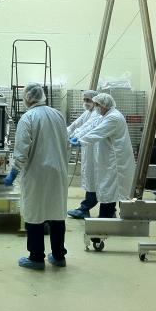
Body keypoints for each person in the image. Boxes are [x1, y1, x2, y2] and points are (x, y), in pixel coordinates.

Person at [5, 83, 69, 270]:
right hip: (58, 171)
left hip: (37, 173)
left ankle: (36, 258)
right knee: (57, 213)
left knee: (34, 214)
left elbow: (21, 150)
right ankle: (58, 256)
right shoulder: (58, 115)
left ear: (27, 98)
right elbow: (66, 143)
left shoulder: (28, 117)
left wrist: (13, 173)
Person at [71, 93, 135, 218]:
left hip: (116, 161)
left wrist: (81, 141)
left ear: (105, 105)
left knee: (111, 189)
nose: (95, 107)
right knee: (107, 187)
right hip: (108, 159)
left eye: (97, 105)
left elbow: (97, 132)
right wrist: (76, 136)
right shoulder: (104, 115)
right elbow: (91, 127)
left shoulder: (114, 118)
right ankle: (109, 215)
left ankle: (107, 217)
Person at [66, 89, 100, 219]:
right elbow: (76, 124)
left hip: (94, 150)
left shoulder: (97, 113)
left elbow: (87, 128)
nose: (86, 102)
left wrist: (76, 137)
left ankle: (86, 208)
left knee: (93, 179)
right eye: (84, 100)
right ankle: (87, 208)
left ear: (95, 101)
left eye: (88, 100)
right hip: (88, 148)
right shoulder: (88, 112)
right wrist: (65, 133)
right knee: (90, 178)